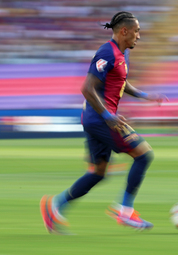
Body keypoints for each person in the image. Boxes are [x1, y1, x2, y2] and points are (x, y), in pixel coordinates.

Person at [40, 11, 167, 234]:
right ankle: (125, 210)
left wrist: (144, 95)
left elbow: (120, 82)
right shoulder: (107, 52)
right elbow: (87, 88)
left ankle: (55, 206)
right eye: (137, 31)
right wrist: (108, 116)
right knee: (144, 154)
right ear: (124, 31)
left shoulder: (122, 53)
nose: (139, 35)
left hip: (97, 119)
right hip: (100, 119)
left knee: (98, 173)